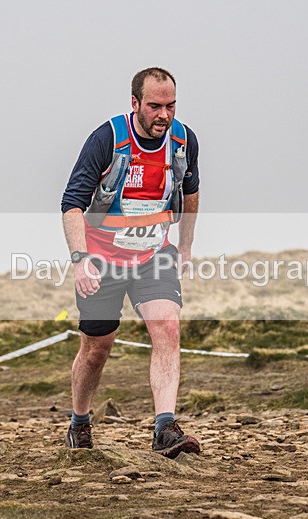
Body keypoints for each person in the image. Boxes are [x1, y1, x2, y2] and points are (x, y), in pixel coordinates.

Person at [60, 67, 201, 459]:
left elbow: (191, 191)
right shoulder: (107, 139)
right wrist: (80, 260)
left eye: (171, 105)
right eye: (155, 106)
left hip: (153, 256)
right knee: (97, 348)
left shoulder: (184, 141)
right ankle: (80, 421)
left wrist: (185, 247)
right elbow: (71, 204)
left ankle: (165, 428)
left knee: (167, 328)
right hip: (101, 259)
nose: (164, 115)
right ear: (135, 103)